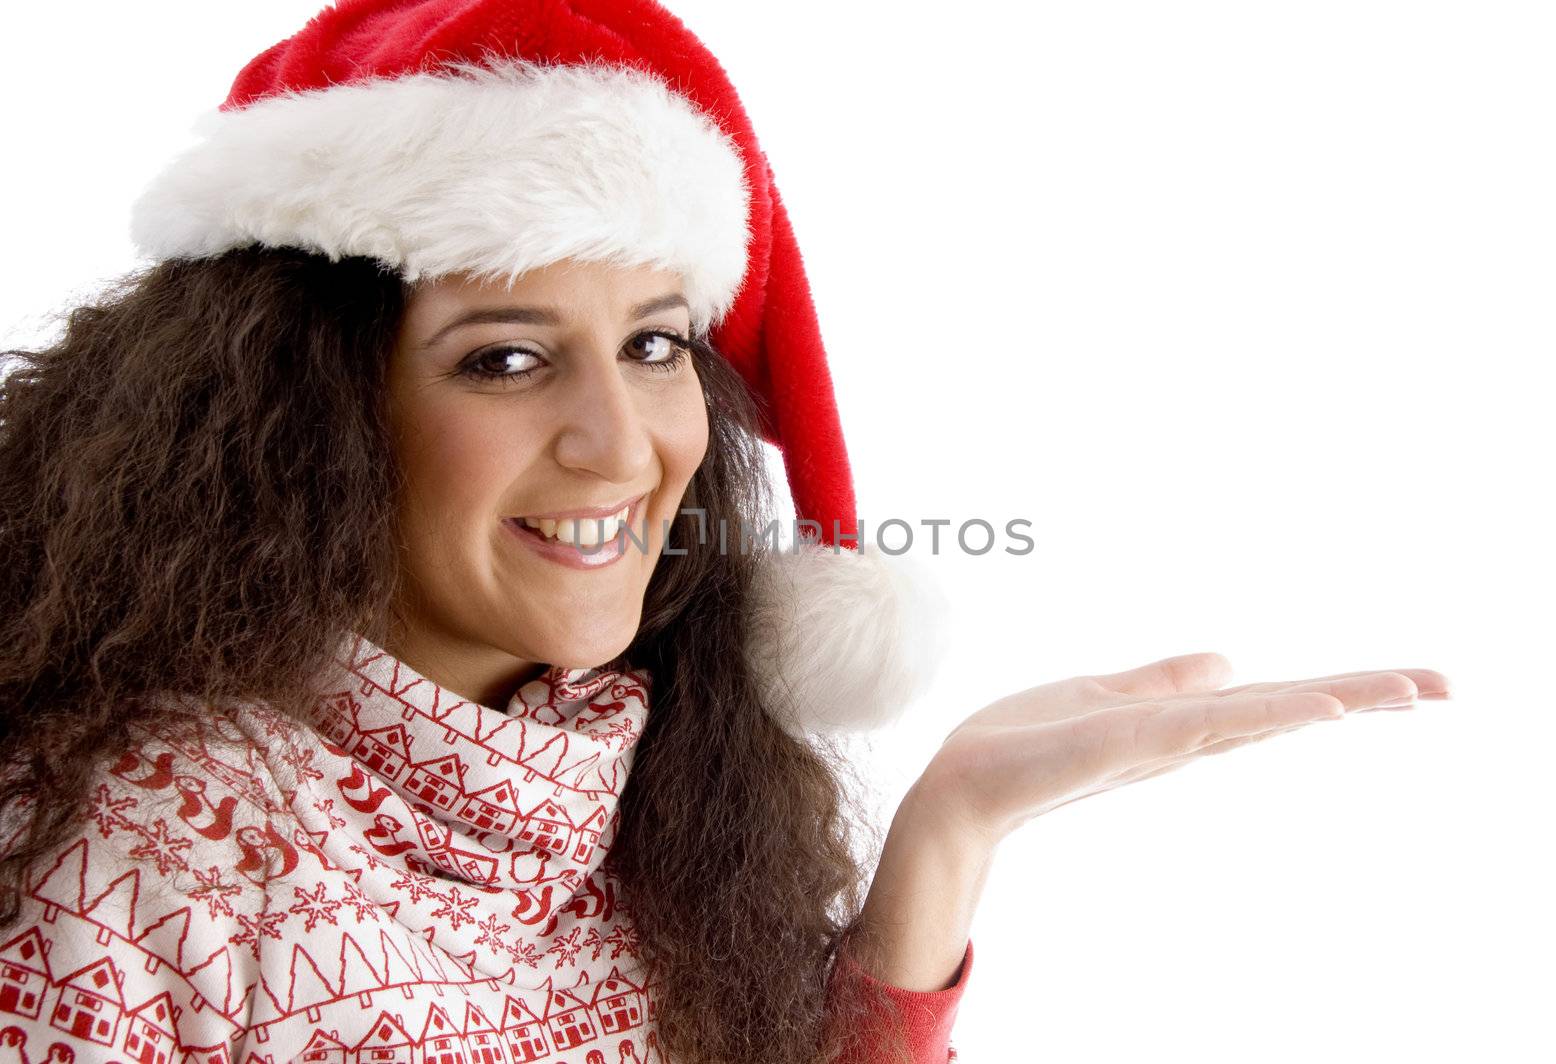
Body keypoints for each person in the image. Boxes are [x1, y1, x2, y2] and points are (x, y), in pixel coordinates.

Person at [0, 1, 1451, 1062]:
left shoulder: (655, 802)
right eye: (505, 359)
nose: (623, 444)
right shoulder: (141, 852)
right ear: (301, 412)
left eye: (654, 345)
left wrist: (944, 836)